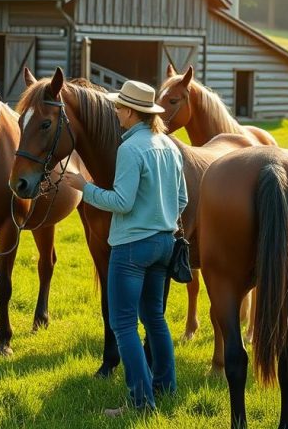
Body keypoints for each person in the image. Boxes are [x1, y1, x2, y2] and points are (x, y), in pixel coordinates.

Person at [62, 79, 187, 416]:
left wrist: (84, 188)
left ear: (132, 112)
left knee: (124, 325)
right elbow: (182, 199)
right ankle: (166, 387)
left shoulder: (130, 149)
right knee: (156, 319)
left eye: (119, 107)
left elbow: (121, 201)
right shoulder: (170, 146)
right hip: (165, 243)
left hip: (132, 248)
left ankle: (140, 402)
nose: (115, 111)